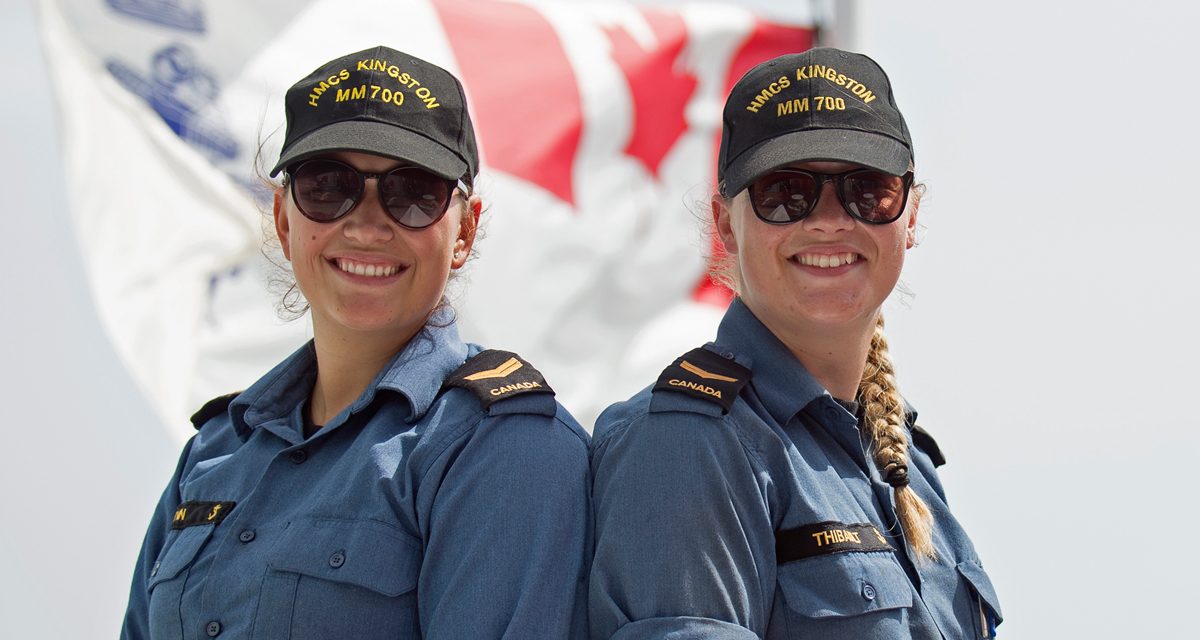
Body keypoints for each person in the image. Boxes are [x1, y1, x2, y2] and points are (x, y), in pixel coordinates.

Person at [121, 45, 591, 640]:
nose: (368, 225)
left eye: (413, 193)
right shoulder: (215, 453)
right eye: (327, 186)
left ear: (465, 229)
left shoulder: (506, 447)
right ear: (285, 220)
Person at [589, 47, 1002, 638]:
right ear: (725, 225)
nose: (829, 220)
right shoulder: (688, 442)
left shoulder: (904, 459)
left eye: (868, 191)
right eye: (785, 193)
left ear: (910, 216)